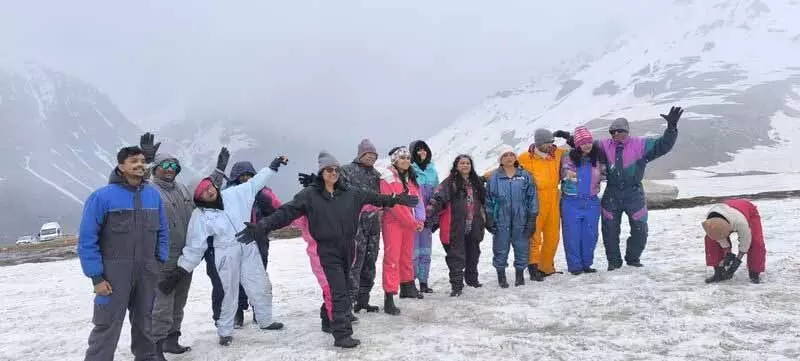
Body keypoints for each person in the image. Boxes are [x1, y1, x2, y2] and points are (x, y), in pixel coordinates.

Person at [237, 150, 419, 348]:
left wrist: (398, 199)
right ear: (322, 172)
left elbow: (376, 198)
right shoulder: (309, 196)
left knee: (341, 288)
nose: (334, 173)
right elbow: (285, 213)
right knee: (340, 291)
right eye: (329, 169)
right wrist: (261, 227)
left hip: (349, 248)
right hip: (325, 250)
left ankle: (327, 317)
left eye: (336, 169)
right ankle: (342, 334)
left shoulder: (351, 193)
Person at [158, 155, 289, 347]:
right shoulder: (200, 215)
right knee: (229, 292)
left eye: (209, 187)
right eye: (203, 192)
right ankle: (225, 331)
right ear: (198, 197)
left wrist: (272, 167)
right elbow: (195, 246)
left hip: (248, 245)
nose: (209, 191)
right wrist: (181, 270)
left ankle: (265, 320)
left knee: (260, 285)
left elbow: (255, 183)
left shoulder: (234, 194)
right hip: (226, 253)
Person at [140, 133, 229, 357]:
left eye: (174, 165)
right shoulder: (149, 190)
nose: (170, 169)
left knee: (179, 300)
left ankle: (172, 340)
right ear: (155, 168)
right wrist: (146, 160)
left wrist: (219, 170)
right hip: (160, 257)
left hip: (184, 258)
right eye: (165, 165)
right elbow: (134, 184)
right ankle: (155, 348)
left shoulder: (182, 190)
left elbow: (205, 188)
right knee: (161, 303)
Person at [77, 146, 169, 361]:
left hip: (146, 271)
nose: (139, 165)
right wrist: (97, 277)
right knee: (107, 324)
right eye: (133, 161)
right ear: (121, 167)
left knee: (145, 321)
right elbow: (87, 240)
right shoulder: (101, 197)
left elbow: (163, 231)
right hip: (113, 274)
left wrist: (158, 261)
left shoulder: (153, 196)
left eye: (142, 161)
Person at [597, 106, 682, 270]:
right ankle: (614, 263)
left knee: (640, 229)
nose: (615, 134)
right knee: (609, 231)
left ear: (626, 131)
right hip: (612, 193)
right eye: (612, 132)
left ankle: (633, 258)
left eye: (618, 131)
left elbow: (663, 145)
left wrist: (671, 128)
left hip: (634, 193)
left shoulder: (641, 144)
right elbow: (584, 144)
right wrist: (569, 138)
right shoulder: (603, 145)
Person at [224, 161, 283, 329]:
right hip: (235, 242)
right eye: (241, 176)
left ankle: (261, 312)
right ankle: (238, 312)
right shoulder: (227, 195)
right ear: (235, 178)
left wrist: (264, 224)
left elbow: (277, 214)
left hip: (258, 240)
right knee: (236, 278)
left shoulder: (263, 194)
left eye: (249, 176)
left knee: (259, 277)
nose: (245, 179)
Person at [424, 154, 487, 297]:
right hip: (455, 225)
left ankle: (472, 280)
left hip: (474, 224)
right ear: (456, 166)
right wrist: (428, 215)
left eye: (468, 163)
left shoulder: (476, 182)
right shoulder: (449, 183)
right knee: (456, 256)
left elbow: (484, 201)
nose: (465, 166)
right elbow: (437, 199)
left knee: (473, 254)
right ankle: (457, 285)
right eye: (462, 163)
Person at [379, 146, 426, 315]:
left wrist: (420, 220)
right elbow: (395, 205)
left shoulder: (410, 178)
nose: (406, 161)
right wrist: (412, 222)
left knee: (407, 255)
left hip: (409, 224)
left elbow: (418, 200)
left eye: (407, 158)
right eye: (402, 158)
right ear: (395, 160)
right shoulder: (388, 178)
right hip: (394, 223)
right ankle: (389, 296)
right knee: (392, 258)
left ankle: (407, 286)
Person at [517, 129, 569, 281]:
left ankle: (546, 267)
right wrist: (485, 176)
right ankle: (533, 268)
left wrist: (568, 137)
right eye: (547, 143)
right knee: (534, 235)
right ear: (539, 143)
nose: (551, 146)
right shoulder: (525, 158)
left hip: (553, 197)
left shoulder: (558, 153)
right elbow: (506, 167)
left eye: (552, 142)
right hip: (535, 198)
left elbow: (579, 148)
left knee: (553, 236)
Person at [339, 139, 383, 313]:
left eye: (374, 155)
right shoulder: (346, 171)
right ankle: (349, 304)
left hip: (373, 223)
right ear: (360, 154)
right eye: (368, 154)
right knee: (355, 262)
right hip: (355, 223)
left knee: (370, 261)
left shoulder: (377, 175)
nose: (371, 157)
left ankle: (363, 300)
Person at [485, 146, 538, 287]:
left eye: (511, 154)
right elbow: (489, 200)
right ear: (500, 160)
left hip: (522, 217)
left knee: (522, 246)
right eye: (505, 155)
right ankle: (501, 276)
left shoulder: (525, 175)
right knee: (500, 247)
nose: (509, 157)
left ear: (515, 157)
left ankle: (519, 275)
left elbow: (532, 198)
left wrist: (532, 219)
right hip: (501, 218)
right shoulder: (494, 178)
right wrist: (489, 218)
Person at [559, 127, 605, 275]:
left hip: (591, 202)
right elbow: (565, 174)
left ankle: (586, 264)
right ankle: (575, 267)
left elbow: (605, 173)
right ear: (577, 144)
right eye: (583, 142)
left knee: (590, 235)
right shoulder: (568, 157)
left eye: (589, 142)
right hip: (572, 202)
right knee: (572, 235)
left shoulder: (597, 158)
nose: (587, 145)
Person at [702, 199, 766, 284]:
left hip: (748, 211)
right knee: (711, 240)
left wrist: (737, 261)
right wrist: (727, 253)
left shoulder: (740, 222)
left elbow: (745, 241)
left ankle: (754, 274)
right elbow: (718, 236)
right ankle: (719, 273)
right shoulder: (711, 222)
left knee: (756, 243)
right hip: (725, 210)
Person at [409, 140, 439, 293]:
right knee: (413, 252)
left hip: (428, 216)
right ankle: (410, 283)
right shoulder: (410, 170)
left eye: (424, 150)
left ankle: (423, 282)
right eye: (418, 150)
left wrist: (435, 215)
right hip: (413, 217)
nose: (422, 152)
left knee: (425, 251)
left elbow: (437, 194)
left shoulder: (432, 171)